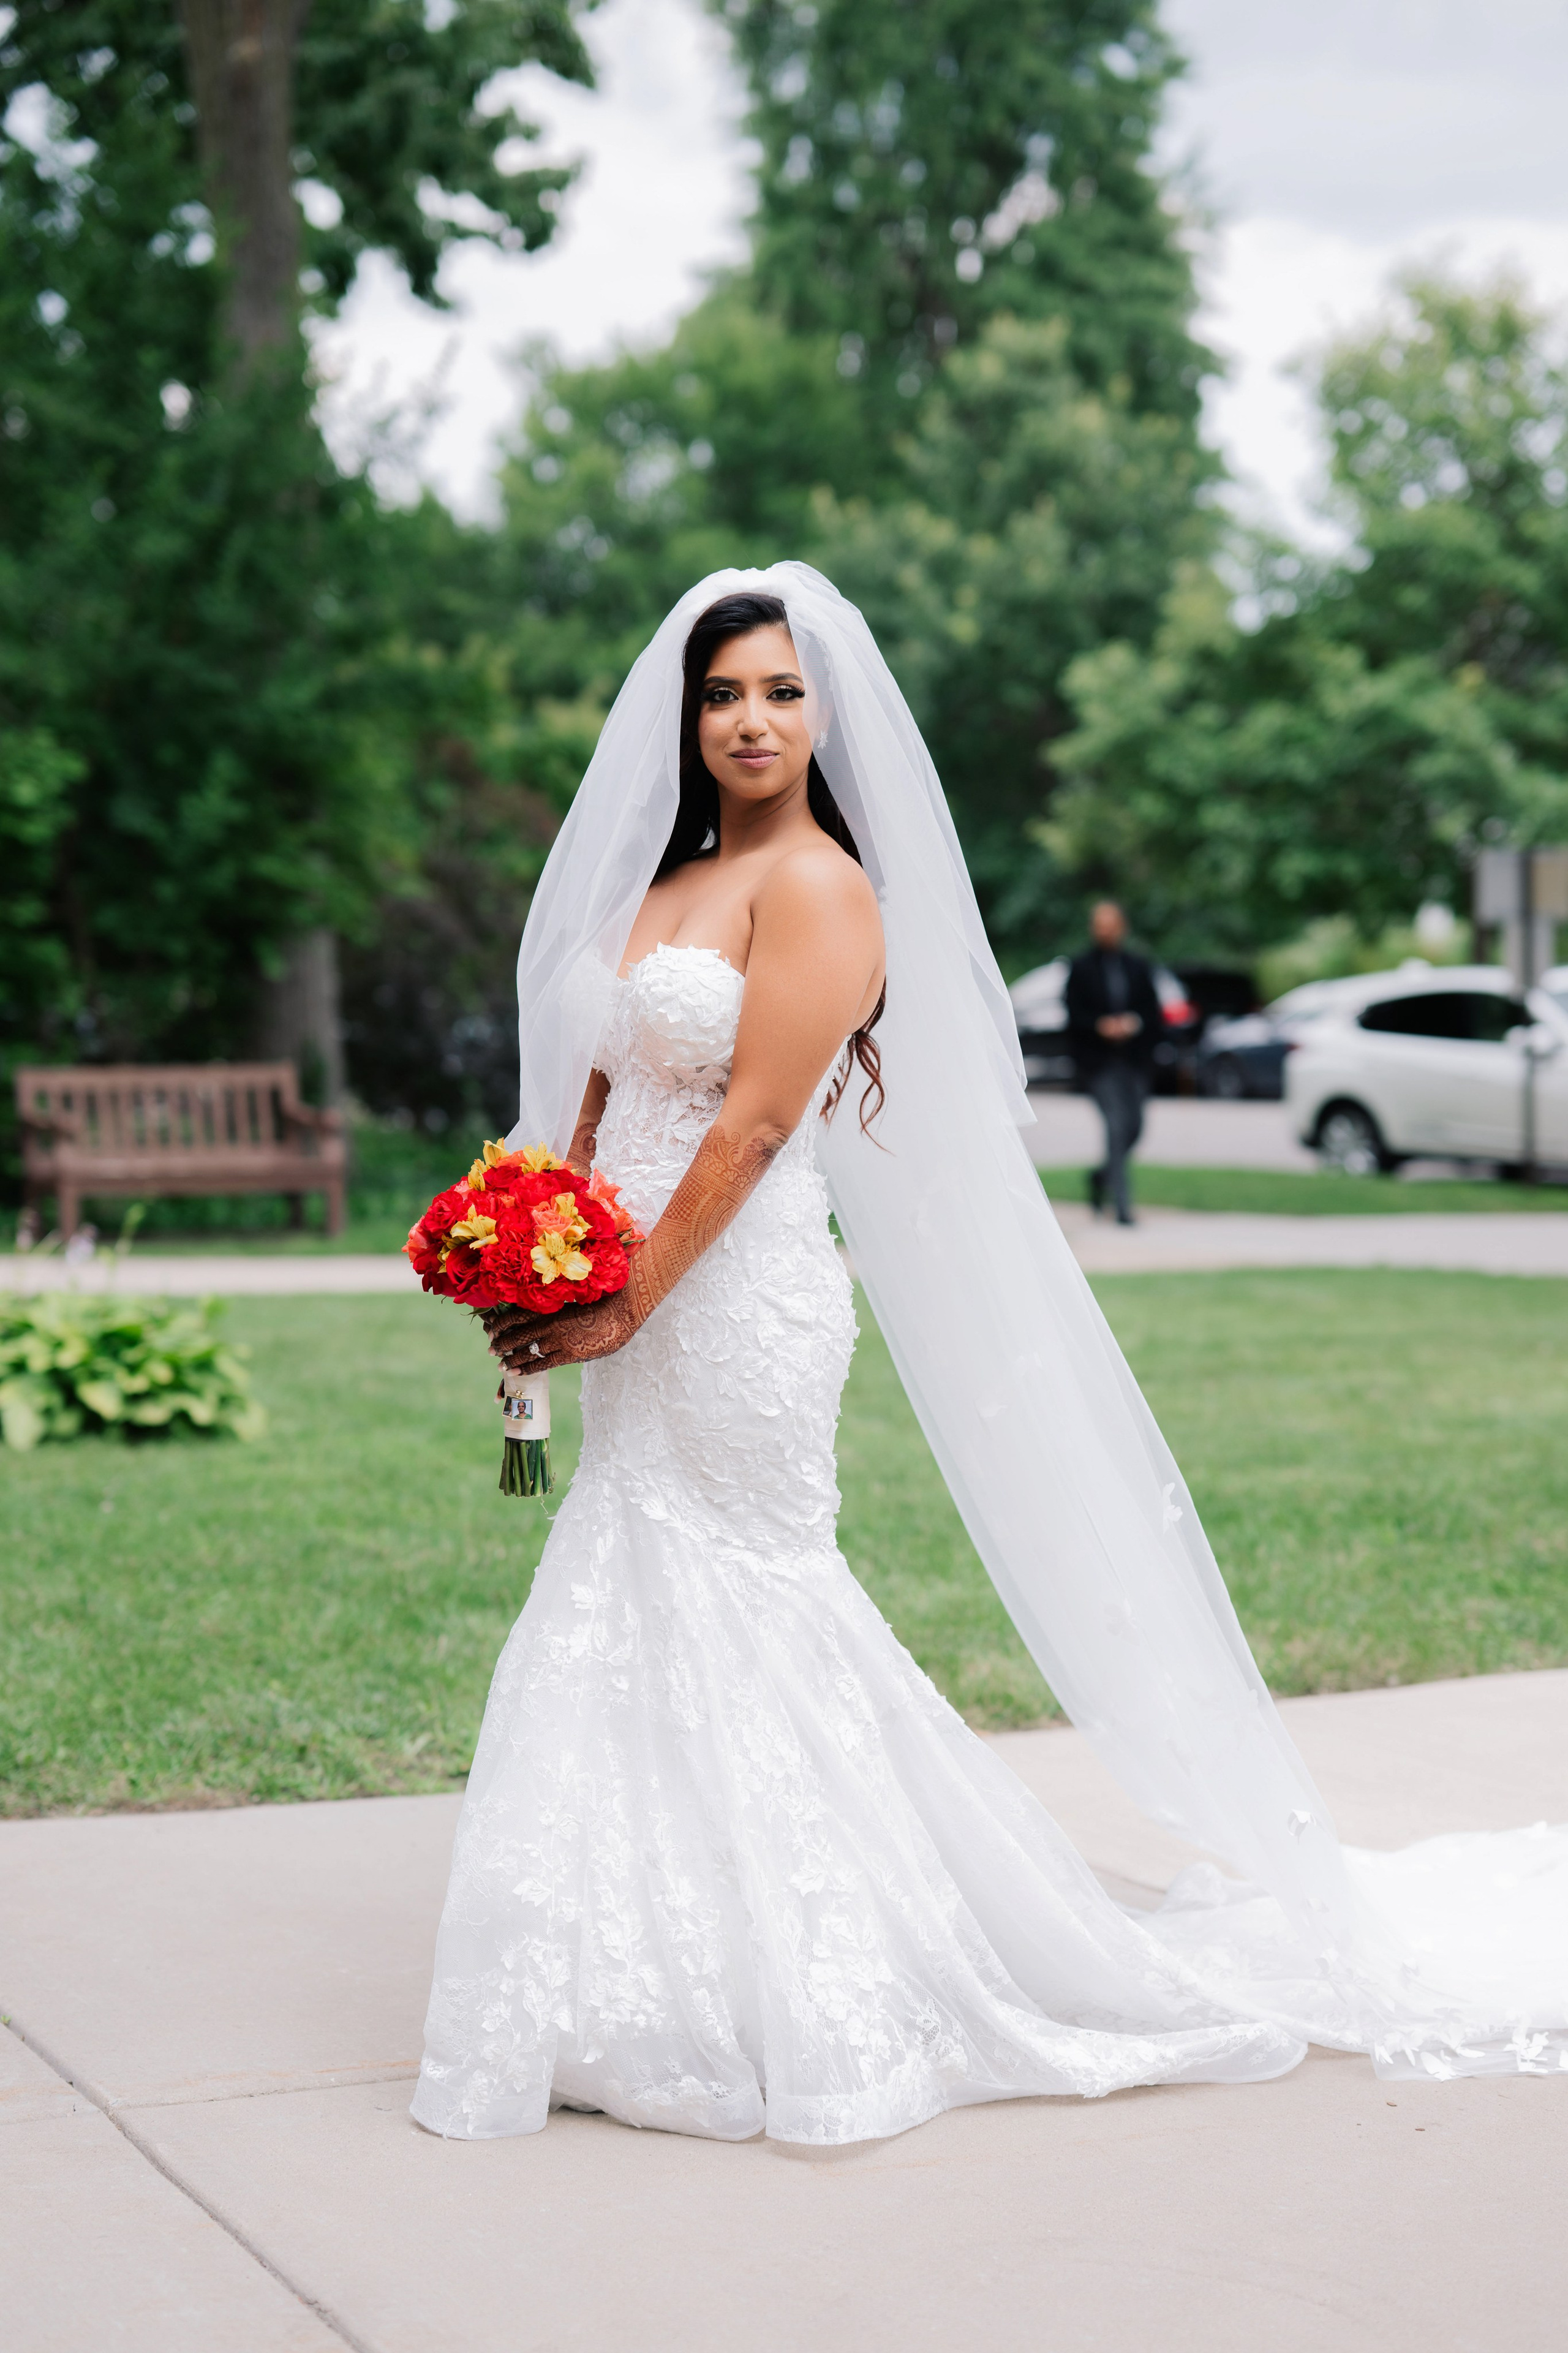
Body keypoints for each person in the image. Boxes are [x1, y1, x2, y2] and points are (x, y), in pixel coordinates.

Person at [411, 564, 1568, 2149]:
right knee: (630, 1586)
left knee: (752, 1591)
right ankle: (639, 1969)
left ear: (824, 716)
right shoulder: (667, 882)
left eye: (781, 692)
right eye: (725, 692)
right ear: (688, 716)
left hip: (736, 1301)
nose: (751, 720)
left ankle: (832, 1958)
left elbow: (753, 1126)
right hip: (631, 1296)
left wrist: (627, 1300)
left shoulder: (820, 888)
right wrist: (544, 1231)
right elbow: (615, 1086)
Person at [1065, 901, 1163, 1225]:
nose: (1105, 931)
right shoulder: (1080, 968)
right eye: (1099, 924)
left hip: (1134, 1060)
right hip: (1099, 1063)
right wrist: (1100, 1026)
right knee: (1117, 1126)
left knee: (1135, 1126)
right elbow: (1073, 1014)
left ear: (1122, 927)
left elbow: (1153, 1012)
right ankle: (1122, 1209)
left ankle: (1101, 1177)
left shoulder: (1138, 966)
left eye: (1111, 924)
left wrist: (1131, 1024)